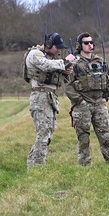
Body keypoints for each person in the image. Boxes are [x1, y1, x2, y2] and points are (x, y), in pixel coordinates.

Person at [65, 32, 109, 165]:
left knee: (106, 135)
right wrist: (79, 101)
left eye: (91, 42)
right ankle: (85, 164)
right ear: (80, 45)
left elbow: (108, 80)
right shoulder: (74, 63)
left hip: (100, 103)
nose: (90, 45)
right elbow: (68, 86)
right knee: (83, 137)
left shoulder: (100, 61)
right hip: (83, 104)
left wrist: (106, 96)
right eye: (86, 43)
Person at [24, 32, 74, 168]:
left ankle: (34, 165)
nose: (59, 50)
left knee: (48, 131)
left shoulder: (51, 58)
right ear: (49, 44)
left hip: (50, 97)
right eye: (57, 47)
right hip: (40, 97)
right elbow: (46, 65)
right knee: (43, 132)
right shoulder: (35, 54)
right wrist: (65, 62)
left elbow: (55, 77)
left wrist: (64, 72)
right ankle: (38, 166)